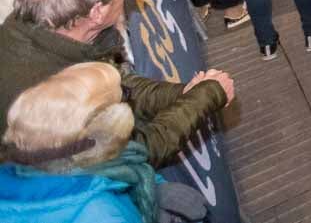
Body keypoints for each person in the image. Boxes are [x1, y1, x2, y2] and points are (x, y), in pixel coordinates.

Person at [0, 0, 232, 161]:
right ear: (97, 11)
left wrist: (183, 93)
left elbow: (118, 84)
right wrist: (205, 97)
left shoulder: (34, 26)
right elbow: (138, 151)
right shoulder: (53, 96)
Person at [0, 62, 209, 223]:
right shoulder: (101, 213)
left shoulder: (24, 168)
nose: (129, 98)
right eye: (124, 95)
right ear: (107, 125)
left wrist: (155, 189)